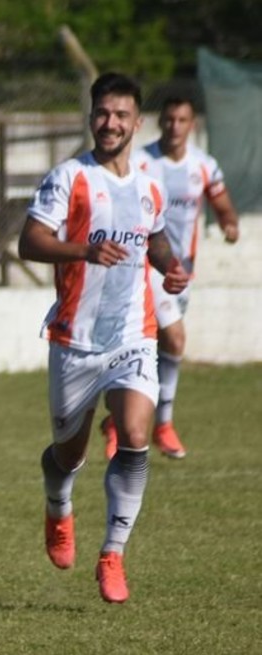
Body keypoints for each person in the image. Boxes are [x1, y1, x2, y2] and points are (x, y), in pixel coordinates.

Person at [18, 73, 190, 604]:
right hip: (74, 340)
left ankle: (113, 554)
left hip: (133, 335)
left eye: (121, 115)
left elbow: (154, 238)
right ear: (91, 117)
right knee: (68, 454)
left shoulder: (149, 187)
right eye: (102, 113)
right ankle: (58, 505)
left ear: (137, 124)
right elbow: (30, 242)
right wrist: (83, 251)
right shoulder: (70, 177)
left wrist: (170, 267)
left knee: (135, 434)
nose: (110, 123)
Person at [97, 96, 242, 460]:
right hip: (144, 270)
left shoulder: (204, 165)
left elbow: (223, 206)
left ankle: (118, 421)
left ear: (193, 125)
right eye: (169, 119)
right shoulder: (141, 162)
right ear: (158, 122)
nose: (175, 127)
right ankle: (162, 425)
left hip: (180, 275)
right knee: (175, 338)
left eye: (182, 120)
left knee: (153, 351)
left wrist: (229, 224)